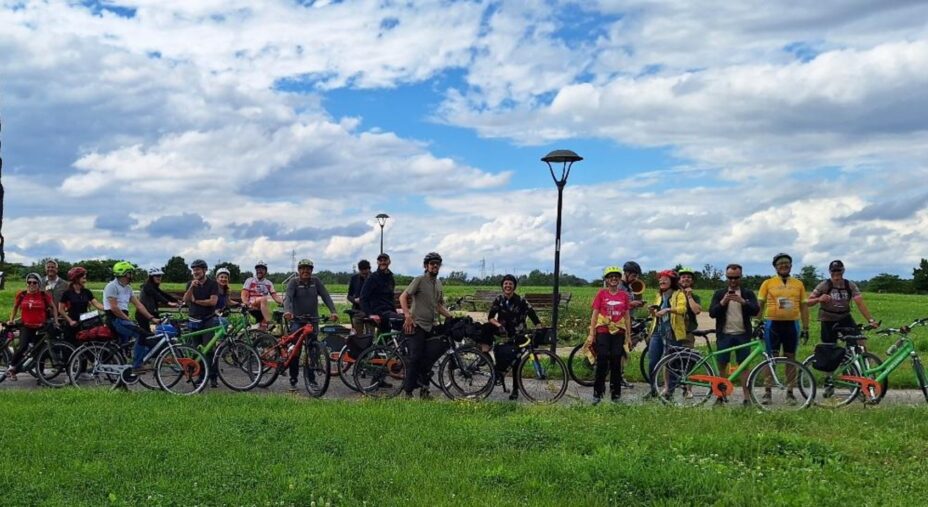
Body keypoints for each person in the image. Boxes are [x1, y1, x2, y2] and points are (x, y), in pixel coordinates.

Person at [400, 252, 455, 398]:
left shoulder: (438, 283)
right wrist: (407, 316)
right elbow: (403, 297)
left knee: (429, 359)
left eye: (437, 264)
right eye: (432, 263)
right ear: (426, 266)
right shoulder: (419, 280)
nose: (435, 266)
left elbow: (438, 305)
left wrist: (451, 316)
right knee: (415, 358)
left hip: (431, 326)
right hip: (417, 325)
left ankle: (424, 390)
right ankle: (408, 392)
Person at [477, 274, 541, 400]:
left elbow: (532, 314)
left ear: (514, 286)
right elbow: (491, 317)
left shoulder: (521, 300)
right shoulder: (499, 299)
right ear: (502, 286)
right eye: (505, 283)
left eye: (510, 284)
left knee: (516, 360)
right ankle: (484, 355)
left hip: (518, 333)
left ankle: (516, 389)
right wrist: (498, 325)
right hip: (503, 331)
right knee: (486, 327)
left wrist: (539, 327)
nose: (508, 286)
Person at [757, 253, 809, 403]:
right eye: (780, 264)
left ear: (791, 266)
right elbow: (760, 304)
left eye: (787, 263)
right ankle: (767, 392)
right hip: (773, 324)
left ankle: (790, 392)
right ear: (775, 267)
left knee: (790, 358)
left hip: (792, 324)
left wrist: (806, 328)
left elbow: (804, 306)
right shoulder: (768, 283)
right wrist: (756, 322)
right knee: (770, 358)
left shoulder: (798, 284)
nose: (784, 265)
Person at [283, 258, 339, 391]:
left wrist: (333, 311)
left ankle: (312, 380)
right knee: (295, 350)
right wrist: (287, 311)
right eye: (302, 268)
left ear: (312, 270)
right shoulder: (293, 282)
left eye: (308, 268)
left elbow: (326, 296)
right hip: (297, 320)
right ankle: (293, 379)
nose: (305, 271)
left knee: (313, 350)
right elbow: (288, 298)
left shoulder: (316, 281)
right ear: (298, 270)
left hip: (312, 320)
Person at [708, 264, 760, 405]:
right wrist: (723, 302)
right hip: (724, 335)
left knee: (743, 366)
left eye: (736, 277)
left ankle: (747, 398)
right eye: (730, 277)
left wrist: (743, 302)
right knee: (722, 365)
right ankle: (720, 396)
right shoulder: (720, 293)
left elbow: (756, 310)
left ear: (741, 277)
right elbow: (712, 313)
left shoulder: (747, 293)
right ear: (726, 277)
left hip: (743, 335)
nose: (733, 281)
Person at [102, 261, 160, 374]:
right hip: (115, 319)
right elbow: (114, 308)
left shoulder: (128, 288)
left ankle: (123, 374)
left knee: (124, 347)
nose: (132, 275)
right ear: (123, 273)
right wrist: (128, 319)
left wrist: (151, 318)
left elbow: (139, 305)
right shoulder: (111, 286)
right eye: (130, 273)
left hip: (122, 318)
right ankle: (137, 366)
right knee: (141, 334)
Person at [586, 266, 632, 404]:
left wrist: (628, 335)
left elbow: (627, 317)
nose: (613, 279)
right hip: (603, 330)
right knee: (602, 359)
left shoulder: (624, 295)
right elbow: (595, 314)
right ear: (606, 280)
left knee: (616, 360)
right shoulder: (601, 294)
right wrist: (591, 333)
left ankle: (615, 394)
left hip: (618, 331)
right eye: (610, 276)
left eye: (616, 276)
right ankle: (598, 392)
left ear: (619, 279)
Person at [808, 260, 878, 345]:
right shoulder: (824, 285)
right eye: (834, 270)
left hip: (844, 317)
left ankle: (858, 353)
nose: (836, 273)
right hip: (828, 319)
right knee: (829, 347)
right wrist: (818, 299)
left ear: (843, 270)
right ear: (829, 271)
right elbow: (808, 302)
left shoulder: (849, 285)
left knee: (859, 341)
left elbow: (860, 303)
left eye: (839, 270)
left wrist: (871, 320)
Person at [5, 273, 59, 380]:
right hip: (26, 326)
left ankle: (40, 375)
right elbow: (15, 307)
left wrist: (56, 321)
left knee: (40, 351)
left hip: (40, 327)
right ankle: (12, 367)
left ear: (39, 284)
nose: (31, 284)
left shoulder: (43, 295)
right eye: (29, 282)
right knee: (23, 346)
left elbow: (54, 308)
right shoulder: (22, 294)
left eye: (34, 282)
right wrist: (11, 320)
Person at [646, 270, 687, 393]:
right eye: (660, 279)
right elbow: (657, 314)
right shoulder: (659, 296)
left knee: (672, 362)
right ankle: (653, 389)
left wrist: (668, 309)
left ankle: (670, 391)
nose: (661, 281)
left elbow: (682, 309)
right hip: (658, 331)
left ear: (672, 281)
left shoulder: (679, 294)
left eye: (665, 279)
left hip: (673, 332)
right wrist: (653, 311)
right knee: (653, 360)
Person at [183, 259, 220, 387]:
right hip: (194, 319)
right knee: (195, 349)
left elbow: (213, 302)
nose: (195, 272)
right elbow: (186, 300)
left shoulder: (213, 284)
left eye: (198, 269)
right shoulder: (190, 284)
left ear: (204, 270)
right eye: (193, 270)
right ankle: (201, 376)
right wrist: (191, 288)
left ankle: (213, 377)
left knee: (208, 349)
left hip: (208, 319)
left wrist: (196, 301)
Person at [617, 260, 645, 388]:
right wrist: (631, 304)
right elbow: (616, 304)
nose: (635, 278)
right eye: (633, 275)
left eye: (636, 276)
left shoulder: (628, 287)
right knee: (623, 349)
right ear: (626, 273)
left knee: (625, 349)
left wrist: (638, 302)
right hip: (620, 322)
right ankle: (619, 377)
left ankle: (619, 374)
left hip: (629, 320)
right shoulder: (619, 287)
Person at [58, 267, 105, 342]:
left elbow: (96, 304)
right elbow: (60, 309)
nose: (85, 280)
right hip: (73, 323)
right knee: (72, 345)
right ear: (76, 279)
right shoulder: (67, 293)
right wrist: (70, 321)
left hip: (84, 323)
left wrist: (108, 309)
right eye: (83, 278)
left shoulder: (87, 292)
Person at [360, 253, 398, 334]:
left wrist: (395, 310)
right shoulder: (372, 278)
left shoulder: (390, 278)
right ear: (377, 262)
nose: (383, 262)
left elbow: (390, 297)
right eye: (380, 261)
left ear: (389, 262)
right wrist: (370, 314)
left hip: (389, 311)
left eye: (385, 260)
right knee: (400, 321)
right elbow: (363, 298)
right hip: (379, 311)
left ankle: (383, 342)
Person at [241, 260, 283, 330]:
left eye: (262, 269)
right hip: (252, 305)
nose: (259, 271)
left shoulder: (268, 283)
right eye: (258, 269)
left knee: (263, 329)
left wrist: (284, 302)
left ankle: (260, 333)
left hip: (262, 308)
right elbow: (244, 295)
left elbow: (275, 296)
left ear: (265, 271)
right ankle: (269, 322)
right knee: (263, 299)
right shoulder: (250, 280)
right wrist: (246, 304)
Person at [677, 267, 703, 348]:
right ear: (679, 280)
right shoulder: (674, 295)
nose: (686, 279)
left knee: (687, 354)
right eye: (683, 277)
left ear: (692, 281)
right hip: (674, 332)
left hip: (688, 333)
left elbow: (697, 311)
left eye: (689, 277)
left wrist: (689, 296)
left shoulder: (695, 297)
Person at [347, 259, 372, 334]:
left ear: (369, 269)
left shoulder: (374, 278)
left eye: (366, 272)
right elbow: (349, 296)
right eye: (362, 271)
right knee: (358, 336)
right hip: (357, 311)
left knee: (370, 335)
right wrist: (354, 300)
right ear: (359, 270)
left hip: (370, 312)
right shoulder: (354, 279)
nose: (364, 274)